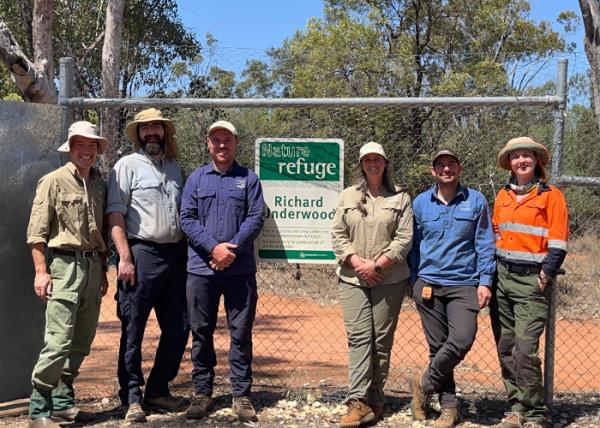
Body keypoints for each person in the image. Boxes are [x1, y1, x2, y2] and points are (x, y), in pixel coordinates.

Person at [107, 108, 189, 422]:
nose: (151, 133)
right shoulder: (126, 166)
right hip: (140, 256)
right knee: (133, 328)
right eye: (146, 129)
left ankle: (157, 391)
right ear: (139, 134)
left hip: (174, 256)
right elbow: (115, 215)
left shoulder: (174, 169)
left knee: (181, 326)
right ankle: (131, 398)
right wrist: (124, 258)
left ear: (165, 132)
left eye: (156, 127)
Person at [180, 120, 265, 422]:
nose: (221, 145)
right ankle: (202, 393)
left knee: (240, 333)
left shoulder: (249, 179)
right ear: (208, 143)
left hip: (239, 270)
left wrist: (231, 250)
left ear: (235, 143)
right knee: (201, 333)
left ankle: (241, 395)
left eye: (226, 140)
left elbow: (256, 217)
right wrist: (213, 249)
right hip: (201, 271)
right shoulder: (196, 180)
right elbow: (187, 219)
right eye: (216, 140)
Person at [26, 121, 109, 428]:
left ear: (97, 151)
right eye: (80, 145)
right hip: (63, 265)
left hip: (92, 265)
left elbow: (100, 230)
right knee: (59, 339)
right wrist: (40, 271)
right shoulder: (53, 181)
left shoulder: (100, 184)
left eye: (91, 146)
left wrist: (102, 270)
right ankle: (39, 408)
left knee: (83, 338)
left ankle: (62, 401)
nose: (86, 151)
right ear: (71, 148)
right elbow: (36, 232)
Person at [408, 149, 496, 428]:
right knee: (437, 347)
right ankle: (449, 408)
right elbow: (413, 244)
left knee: (462, 338)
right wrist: (415, 279)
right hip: (428, 284)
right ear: (433, 172)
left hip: (464, 283)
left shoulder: (476, 200)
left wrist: (485, 281)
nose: (446, 169)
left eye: (451, 165)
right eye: (441, 166)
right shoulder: (421, 203)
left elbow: (484, 243)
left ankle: (423, 383)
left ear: (459, 169)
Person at [331, 142, 413, 428]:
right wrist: (357, 263)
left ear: (385, 163)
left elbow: (404, 238)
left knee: (380, 341)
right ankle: (357, 401)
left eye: (377, 159)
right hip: (353, 278)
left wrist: (377, 264)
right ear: (361, 164)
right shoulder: (348, 195)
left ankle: (376, 400)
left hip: (388, 278)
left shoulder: (400, 197)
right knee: (359, 339)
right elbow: (338, 234)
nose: (373, 164)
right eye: (368, 160)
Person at [490, 137, 569, 428]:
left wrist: (546, 274)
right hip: (502, 278)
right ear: (509, 163)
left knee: (525, 349)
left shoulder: (551, 196)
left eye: (526, 156)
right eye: (515, 157)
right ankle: (516, 407)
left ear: (536, 161)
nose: (521, 161)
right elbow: (496, 235)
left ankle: (535, 413)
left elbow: (558, 241)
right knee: (506, 347)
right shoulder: (502, 195)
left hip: (532, 281)